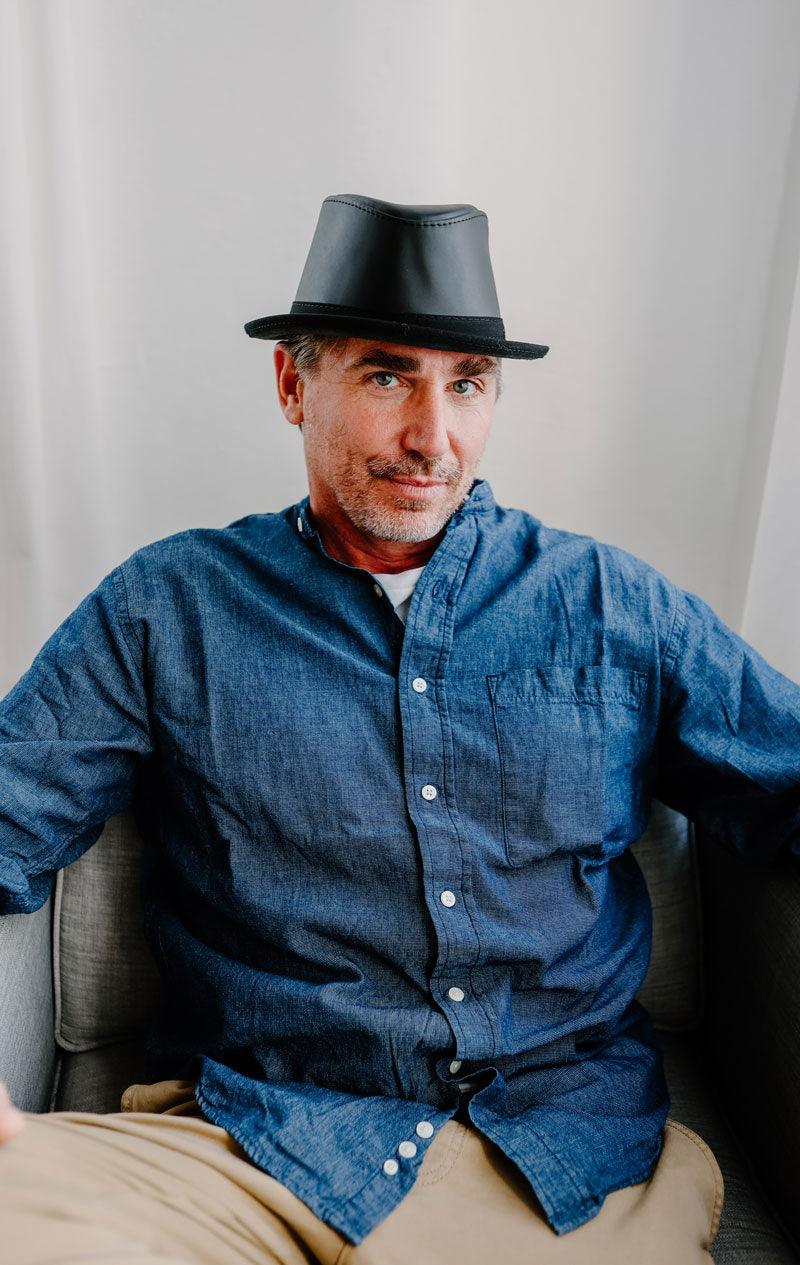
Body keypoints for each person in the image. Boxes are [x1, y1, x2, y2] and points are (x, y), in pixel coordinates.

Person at [0, 193, 798, 1265]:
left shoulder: (612, 606)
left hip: (551, 1166)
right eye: (386, 375)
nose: (434, 436)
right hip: (246, 1149)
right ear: (293, 383)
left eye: (465, 384)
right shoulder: (168, 607)